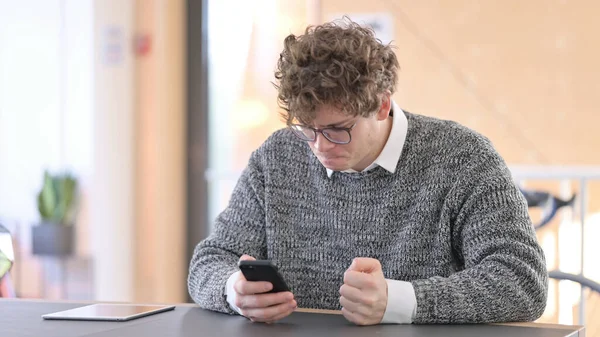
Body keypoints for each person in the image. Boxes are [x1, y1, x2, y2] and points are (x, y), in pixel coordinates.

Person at [188, 18, 548, 325]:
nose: (320, 147)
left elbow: (523, 281)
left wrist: (400, 300)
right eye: (308, 129)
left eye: (337, 129)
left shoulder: (463, 157)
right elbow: (210, 261)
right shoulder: (277, 156)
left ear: (381, 105)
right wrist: (232, 290)